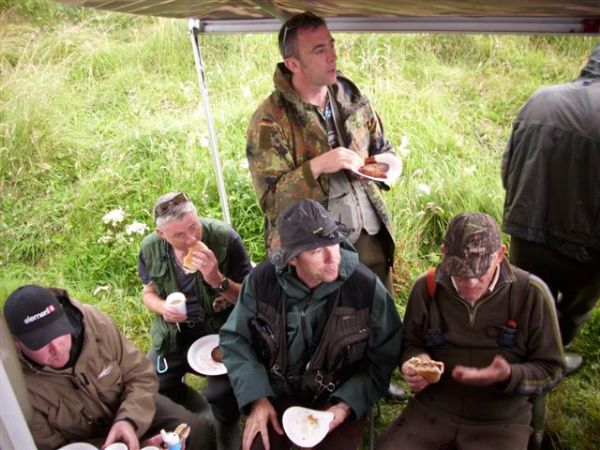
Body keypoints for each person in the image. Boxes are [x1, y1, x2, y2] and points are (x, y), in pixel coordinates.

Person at [219, 199, 402, 450]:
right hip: (277, 392)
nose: (332, 257)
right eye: (316, 251)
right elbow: (235, 338)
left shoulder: (365, 287)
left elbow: (384, 356)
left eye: (333, 242)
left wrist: (346, 405)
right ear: (292, 259)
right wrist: (257, 398)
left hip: (337, 397)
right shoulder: (261, 281)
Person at [375, 212, 565, 450]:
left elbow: (552, 368)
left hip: (501, 418)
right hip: (433, 408)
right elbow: (411, 343)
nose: (471, 283)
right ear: (444, 253)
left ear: (500, 255)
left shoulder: (531, 293)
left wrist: (509, 375)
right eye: (461, 272)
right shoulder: (426, 287)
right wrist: (415, 362)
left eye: (480, 272)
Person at [246, 11, 400, 295]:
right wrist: (317, 166)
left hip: (371, 241)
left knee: (381, 315)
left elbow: (383, 147)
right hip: (317, 254)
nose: (332, 56)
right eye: (319, 50)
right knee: (332, 319)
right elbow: (273, 202)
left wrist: (384, 166)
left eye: (331, 45)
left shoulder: (350, 95)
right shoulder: (270, 120)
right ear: (293, 64)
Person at [2, 284, 215, 450]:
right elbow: (51, 446)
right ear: (17, 344)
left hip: (132, 405)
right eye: (40, 342)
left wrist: (129, 421)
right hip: (87, 443)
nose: (56, 348)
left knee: (197, 432)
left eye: (59, 332)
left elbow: (140, 374)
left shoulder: (93, 323)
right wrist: (131, 446)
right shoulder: (13, 389)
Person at [502, 43, 600, 374]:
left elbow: (508, 168)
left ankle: (522, 365)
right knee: (573, 310)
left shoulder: (541, 98)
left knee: (527, 302)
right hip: (586, 250)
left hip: (527, 231)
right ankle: (550, 361)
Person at [138, 192, 253, 447]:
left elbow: (251, 299)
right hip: (176, 331)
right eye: (179, 235)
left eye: (193, 227)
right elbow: (148, 293)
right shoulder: (150, 248)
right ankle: (200, 413)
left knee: (222, 392)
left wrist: (217, 280)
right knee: (150, 382)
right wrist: (162, 307)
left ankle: (226, 423)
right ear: (161, 234)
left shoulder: (224, 238)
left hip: (221, 329)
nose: (191, 239)